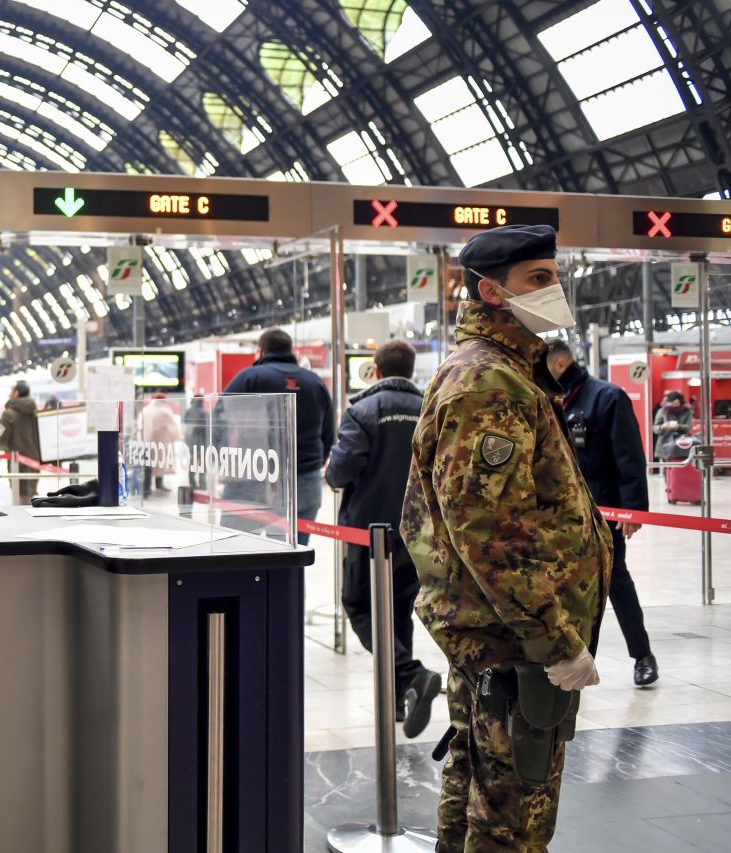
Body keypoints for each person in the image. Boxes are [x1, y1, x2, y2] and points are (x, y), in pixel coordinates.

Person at [401, 224, 612, 851]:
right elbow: (490, 532)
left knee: (479, 789)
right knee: (515, 817)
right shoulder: (490, 381)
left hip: (497, 634)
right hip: (515, 641)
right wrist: (554, 640)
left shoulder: (507, 371)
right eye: (538, 280)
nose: (555, 289)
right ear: (493, 292)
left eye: (553, 275)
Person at [325, 340, 440, 737]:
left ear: (374, 370)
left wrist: (331, 473)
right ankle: (397, 699)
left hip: (367, 532)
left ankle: (412, 675)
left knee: (359, 606)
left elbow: (341, 470)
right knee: (398, 610)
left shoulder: (363, 411)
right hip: (415, 532)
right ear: (409, 370)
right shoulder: (430, 408)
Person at [547, 340, 658, 687]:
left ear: (561, 363)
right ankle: (566, 659)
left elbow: (629, 457)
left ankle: (642, 656)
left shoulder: (606, 398)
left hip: (602, 515)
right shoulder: (546, 400)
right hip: (558, 517)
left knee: (616, 583)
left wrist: (632, 509)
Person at [223, 328, 334, 544]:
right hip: (306, 478)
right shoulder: (315, 382)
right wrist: (313, 463)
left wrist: (226, 460)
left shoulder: (249, 378)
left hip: (254, 477)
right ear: (290, 350)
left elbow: (220, 419)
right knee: (294, 556)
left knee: (242, 552)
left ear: (260, 351)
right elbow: (328, 433)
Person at [0, 381, 41, 505]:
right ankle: (30, 523)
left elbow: (3, 437)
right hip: (34, 459)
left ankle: (21, 523)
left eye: (11, 391)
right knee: (30, 494)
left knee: (19, 496)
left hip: (18, 460)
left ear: (16, 393)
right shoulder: (35, 412)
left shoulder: (8, 414)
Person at [142, 392, 181, 495]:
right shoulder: (165, 411)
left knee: (148, 466)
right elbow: (173, 426)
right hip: (160, 442)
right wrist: (178, 436)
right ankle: (159, 485)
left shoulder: (145, 410)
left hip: (146, 442)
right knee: (160, 464)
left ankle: (147, 487)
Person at [653, 390, 693, 460]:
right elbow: (655, 428)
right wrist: (662, 427)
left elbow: (688, 427)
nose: (673, 405)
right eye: (671, 403)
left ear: (680, 402)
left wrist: (678, 427)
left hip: (681, 444)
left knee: (679, 468)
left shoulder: (687, 411)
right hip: (664, 445)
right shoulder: (662, 411)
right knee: (664, 468)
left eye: (676, 403)